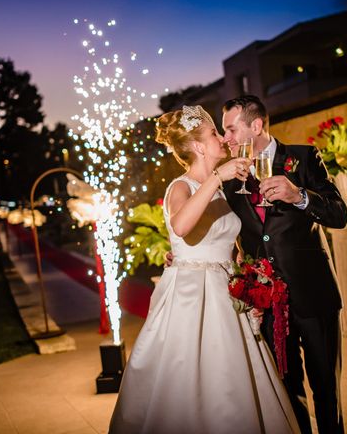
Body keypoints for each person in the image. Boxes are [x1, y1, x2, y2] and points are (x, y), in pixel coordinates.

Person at [109, 105, 300, 434]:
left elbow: (225, 244)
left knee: (234, 379)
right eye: (214, 133)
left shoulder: (223, 191)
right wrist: (217, 177)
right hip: (191, 297)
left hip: (226, 293)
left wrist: (250, 283)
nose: (223, 139)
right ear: (198, 146)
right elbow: (181, 226)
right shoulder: (180, 187)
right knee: (194, 378)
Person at [221, 95, 347, 434]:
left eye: (231, 129)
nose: (226, 139)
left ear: (256, 125)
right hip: (268, 303)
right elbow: (223, 233)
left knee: (326, 390)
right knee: (287, 394)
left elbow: (339, 214)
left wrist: (299, 196)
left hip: (313, 294)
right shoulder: (231, 180)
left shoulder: (304, 157)